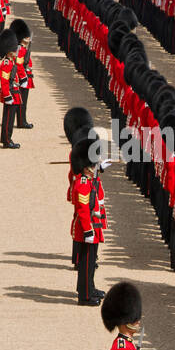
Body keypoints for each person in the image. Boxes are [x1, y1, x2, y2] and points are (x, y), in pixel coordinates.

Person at [70, 129, 107, 303]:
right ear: (86, 167)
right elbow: (84, 209)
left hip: (94, 225)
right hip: (88, 227)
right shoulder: (83, 183)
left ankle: (89, 288)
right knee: (86, 263)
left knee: (91, 262)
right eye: (93, 165)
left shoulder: (89, 179)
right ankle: (84, 296)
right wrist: (88, 231)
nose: (95, 167)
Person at [0, 29, 21, 149]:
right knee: (8, 119)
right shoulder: (6, 65)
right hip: (10, 94)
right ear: (9, 51)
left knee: (10, 119)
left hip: (14, 93)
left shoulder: (11, 62)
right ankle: (7, 140)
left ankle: (7, 138)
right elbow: (4, 82)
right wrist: (8, 96)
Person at [10, 19, 34, 130]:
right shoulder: (20, 49)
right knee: (21, 101)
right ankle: (21, 121)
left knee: (24, 101)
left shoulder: (24, 48)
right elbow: (19, 65)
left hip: (26, 76)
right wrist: (24, 77)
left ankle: (22, 119)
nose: (28, 39)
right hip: (22, 78)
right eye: (26, 37)